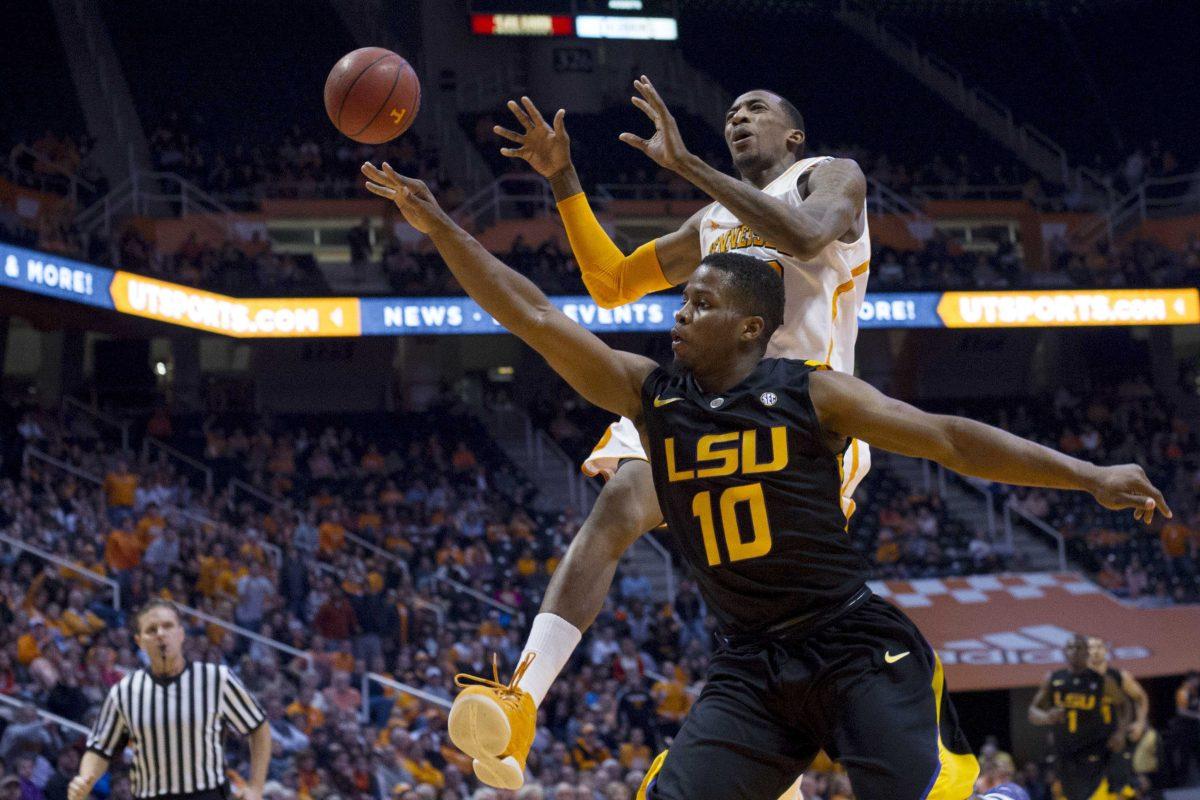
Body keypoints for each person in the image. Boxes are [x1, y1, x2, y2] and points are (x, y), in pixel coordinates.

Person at [360, 161, 1169, 799]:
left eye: (699, 302)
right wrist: (438, 226)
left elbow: (951, 440)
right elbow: (532, 315)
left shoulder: (810, 390)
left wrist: (1088, 475)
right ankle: (522, 695)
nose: (678, 313)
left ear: (751, 326)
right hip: (750, 667)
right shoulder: (652, 398)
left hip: (854, 651)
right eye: (681, 300)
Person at [69, 599, 271, 800]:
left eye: (168, 626)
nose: (160, 634)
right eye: (151, 630)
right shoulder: (124, 691)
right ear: (140, 641)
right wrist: (85, 777)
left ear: (181, 634)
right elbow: (99, 748)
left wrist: (256, 787)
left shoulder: (217, 678)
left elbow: (259, 727)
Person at [1028, 635, 1132, 800]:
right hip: (1064, 750)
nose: (1075, 651)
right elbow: (1032, 712)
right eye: (1070, 647)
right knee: (1069, 795)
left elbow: (1124, 704)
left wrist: (1121, 732)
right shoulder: (1054, 679)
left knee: (1094, 794)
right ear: (1064, 651)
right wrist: (1047, 716)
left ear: (1087, 652)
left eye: (1079, 647)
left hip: (1093, 748)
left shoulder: (1101, 681)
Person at [1086, 636, 1150, 797]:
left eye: (1099, 647)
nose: (1095, 652)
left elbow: (1141, 698)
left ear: (1105, 651)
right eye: (1091, 648)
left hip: (1116, 737)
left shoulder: (1119, 676)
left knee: (1120, 784)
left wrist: (1140, 723)